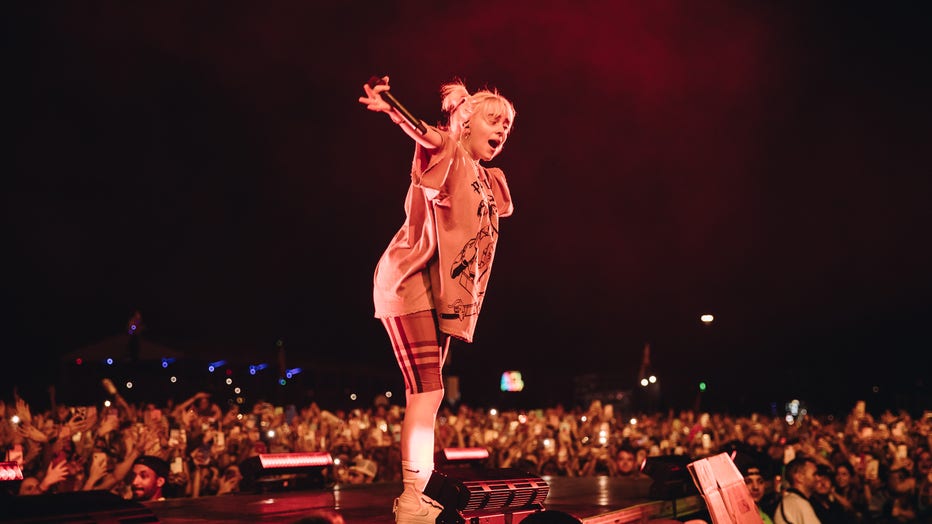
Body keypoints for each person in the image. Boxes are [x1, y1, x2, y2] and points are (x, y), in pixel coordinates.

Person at [359, 75, 516, 524]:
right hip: (408, 280)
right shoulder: (447, 150)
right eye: (494, 119)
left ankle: (422, 488)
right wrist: (392, 106)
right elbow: (424, 131)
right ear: (465, 123)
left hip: (441, 291)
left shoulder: (489, 179)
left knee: (431, 392)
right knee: (425, 390)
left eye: (507, 124)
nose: (503, 129)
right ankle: (413, 495)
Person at [774, 455, 822, 524]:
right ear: (799, 477)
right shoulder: (799, 503)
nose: (818, 478)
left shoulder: (790, 501)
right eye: (814, 474)